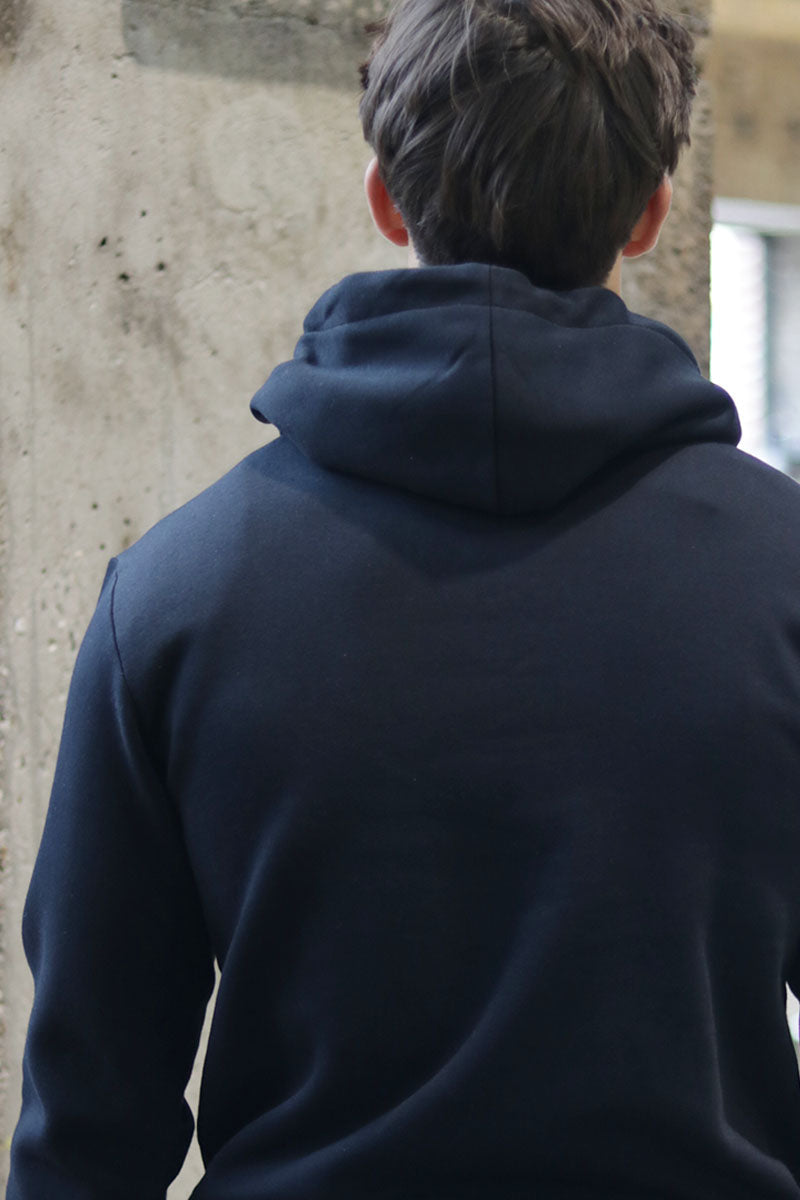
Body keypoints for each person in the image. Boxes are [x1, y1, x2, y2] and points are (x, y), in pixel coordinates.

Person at [8, 0, 800, 1196]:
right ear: (649, 213)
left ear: (385, 197)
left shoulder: (173, 596)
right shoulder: (782, 577)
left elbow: (86, 1123)